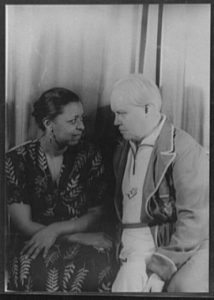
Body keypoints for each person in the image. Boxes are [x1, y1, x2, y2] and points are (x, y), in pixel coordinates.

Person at [5, 87, 117, 292]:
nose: (82, 127)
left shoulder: (91, 156)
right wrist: (74, 236)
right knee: (26, 267)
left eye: (81, 119)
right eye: (73, 121)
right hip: (35, 241)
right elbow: (23, 223)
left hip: (82, 245)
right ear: (49, 124)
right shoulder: (16, 160)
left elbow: (96, 212)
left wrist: (56, 230)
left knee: (100, 264)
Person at [110, 74, 209, 293]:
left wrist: (160, 269)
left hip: (164, 249)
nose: (116, 122)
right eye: (114, 114)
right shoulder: (122, 150)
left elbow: (194, 220)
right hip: (132, 253)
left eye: (122, 113)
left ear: (148, 109)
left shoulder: (183, 150)